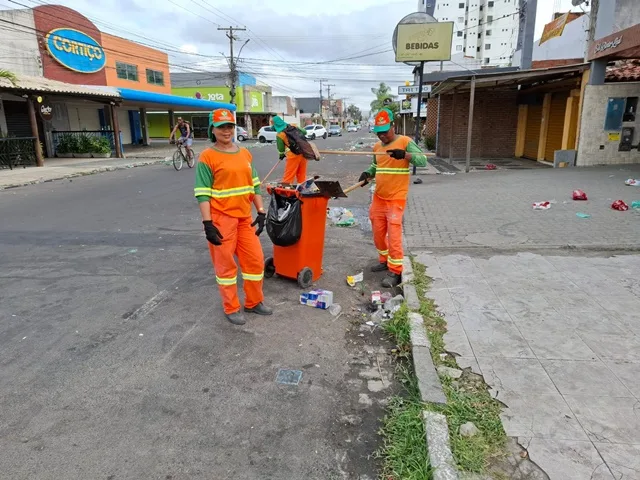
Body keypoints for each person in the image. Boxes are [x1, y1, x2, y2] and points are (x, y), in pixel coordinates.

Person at [194, 108, 272, 325]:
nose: (226, 131)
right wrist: (207, 223)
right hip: (221, 220)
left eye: (229, 126)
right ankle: (231, 307)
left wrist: (261, 211)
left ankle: (254, 302)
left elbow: (254, 184)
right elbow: (202, 192)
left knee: (255, 261)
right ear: (213, 129)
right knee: (226, 267)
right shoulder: (207, 157)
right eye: (221, 127)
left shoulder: (245, 153)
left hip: (244, 219)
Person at [358, 108, 428, 288]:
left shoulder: (405, 141)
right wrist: (367, 173)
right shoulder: (377, 148)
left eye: (384, 131)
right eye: (378, 133)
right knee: (378, 232)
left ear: (393, 126)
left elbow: (422, 161)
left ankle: (395, 271)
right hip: (379, 197)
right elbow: (376, 167)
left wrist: (404, 154)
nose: (381, 136)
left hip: (396, 198)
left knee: (394, 235)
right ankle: (384, 260)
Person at [272, 116, 309, 184]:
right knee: (301, 174)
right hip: (303, 152)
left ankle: (285, 191)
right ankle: (302, 189)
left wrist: (281, 155)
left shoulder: (280, 134)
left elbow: (281, 148)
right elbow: (304, 132)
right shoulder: (293, 125)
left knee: (289, 175)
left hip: (293, 155)